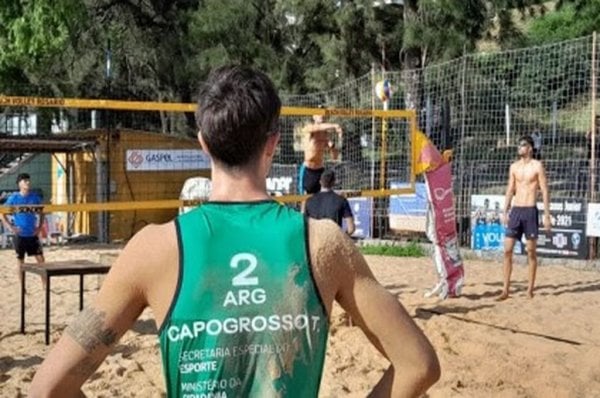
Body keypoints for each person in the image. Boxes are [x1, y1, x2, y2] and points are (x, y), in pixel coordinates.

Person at [30, 66, 440, 397]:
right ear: (273, 144)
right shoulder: (322, 243)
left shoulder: (154, 249)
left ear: (203, 143)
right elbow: (418, 365)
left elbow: (49, 388)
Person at [497, 135, 551, 301]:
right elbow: (510, 189)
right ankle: (505, 290)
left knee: (531, 251)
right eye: (519, 145)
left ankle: (530, 289)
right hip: (516, 210)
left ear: (530, 148)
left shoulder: (537, 166)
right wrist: (505, 211)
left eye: (522, 145)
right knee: (507, 250)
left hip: (530, 210)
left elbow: (545, 190)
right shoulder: (514, 167)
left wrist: (547, 215)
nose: (519, 147)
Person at [1, 173, 45, 286]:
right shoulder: (14, 198)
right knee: (21, 262)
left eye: (28, 180)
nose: (28, 182)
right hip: (20, 235)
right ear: (19, 184)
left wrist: (39, 227)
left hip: (32, 234)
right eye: (25, 181)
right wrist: (11, 228)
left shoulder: (34, 197)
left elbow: (42, 212)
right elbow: (2, 213)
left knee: (41, 260)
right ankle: (22, 287)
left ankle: (45, 285)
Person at [298, 110, 343, 194]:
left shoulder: (325, 134)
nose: (321, 115)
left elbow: (335, 157)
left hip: (320, 171)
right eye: (318, 113)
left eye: (323, 113)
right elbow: (318, 128)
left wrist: (332, 147)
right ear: (314, 116)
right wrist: (334, 125)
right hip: (308, 170)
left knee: (321, 199)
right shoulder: (309, 128)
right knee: (304, 200)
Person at [304, 169, 355, 236]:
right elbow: (351, 228)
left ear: (320, 182)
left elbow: (303, 227)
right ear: (333, 182)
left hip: (316, 241)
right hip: (334, 240)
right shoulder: (342, 200)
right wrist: (342, 238)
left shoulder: (309, 201)